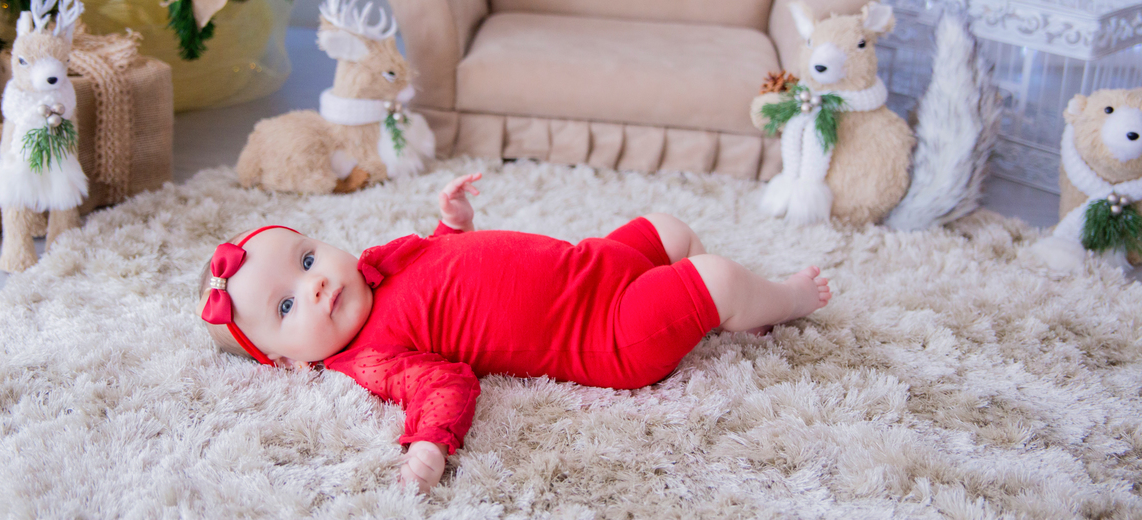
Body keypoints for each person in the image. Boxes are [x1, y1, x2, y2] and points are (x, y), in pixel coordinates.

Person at [198, 172, 831, 493]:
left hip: (591, 267)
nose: (313, 284)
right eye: (286, 308)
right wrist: (429, 443)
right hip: (604, 332)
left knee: (666, 227)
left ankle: (714, 311)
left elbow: (449, 266)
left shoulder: (376, 267)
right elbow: (443, 384)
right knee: (711, 275)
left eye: (307, 260)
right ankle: (781, 300)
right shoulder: (371, 357)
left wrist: (455, 224)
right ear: (286, 364)